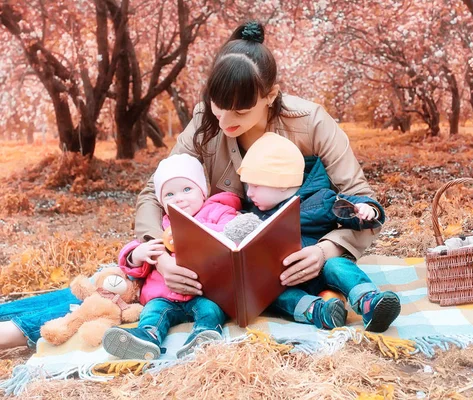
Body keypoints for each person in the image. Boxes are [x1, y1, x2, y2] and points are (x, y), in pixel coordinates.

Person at [0, 19, 386, 350]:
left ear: (270, 96)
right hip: (201, 262)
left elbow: (365, 202)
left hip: (288, 266)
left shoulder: (311, 123)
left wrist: (324, 251)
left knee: (120, 295)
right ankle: (9, 330)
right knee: (112, 287)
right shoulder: (205, 120)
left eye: (240, 109)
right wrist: (160, 256)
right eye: (218, 103)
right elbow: (154, 192)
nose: (225, 118)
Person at [238, 132, 400, 332]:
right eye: (247, 185)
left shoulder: (320, 200)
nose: (248, 193)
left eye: (254, 185)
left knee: (338, 265)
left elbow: (346, 207)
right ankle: (319, 312)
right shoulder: (254, 212)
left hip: (321, 269)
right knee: (271, 294)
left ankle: (369, 301)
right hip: (285, 281)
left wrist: (365, 210)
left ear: (281, 184)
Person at [102, 154, 241, 360]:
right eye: (169, 194)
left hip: (204, 293)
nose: (179, 198)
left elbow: (232, 231)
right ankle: (147, 337)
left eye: (187, 189)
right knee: (153, 312)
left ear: (202, 192)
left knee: (211, 310)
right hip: (164, 295)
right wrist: (138, 255)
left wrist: (196, 231)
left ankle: (204, 336)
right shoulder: (163, 224)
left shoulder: (217, 212)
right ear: (161, 202)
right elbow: (138, 256)